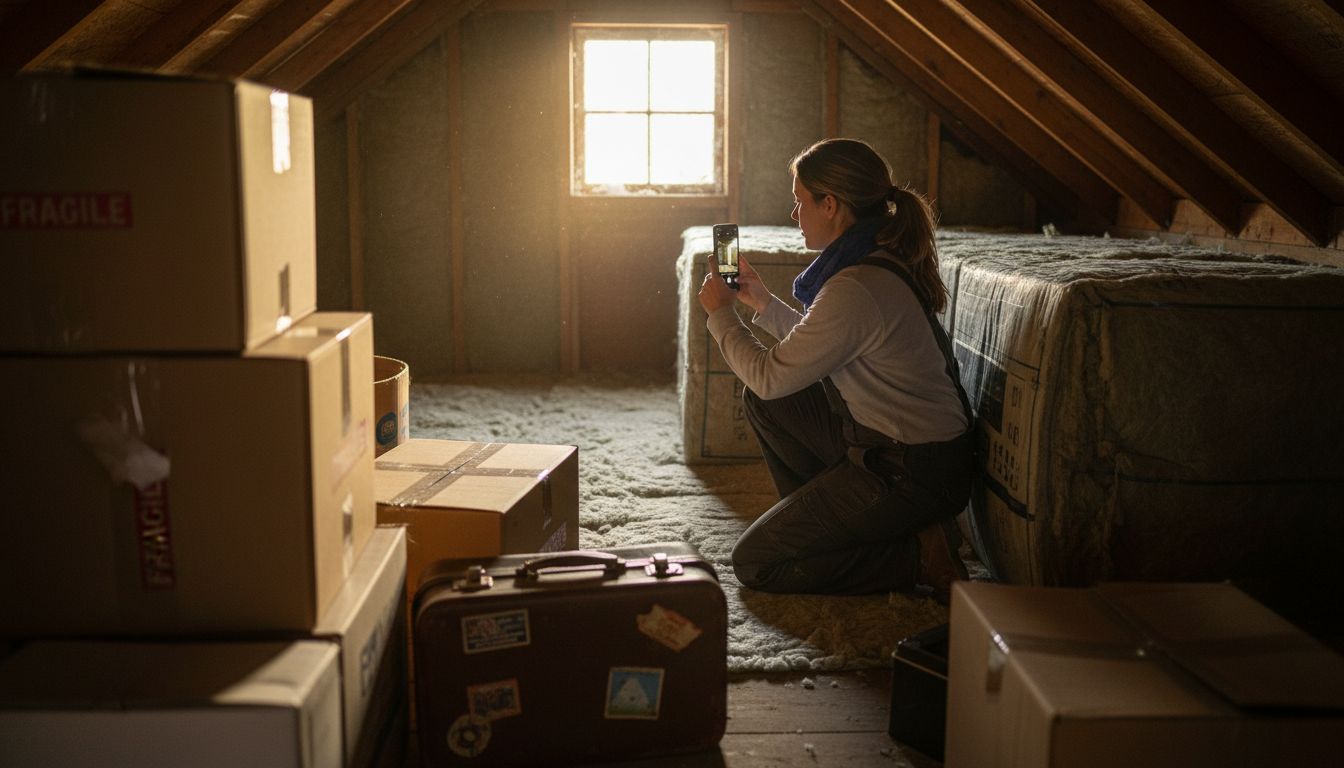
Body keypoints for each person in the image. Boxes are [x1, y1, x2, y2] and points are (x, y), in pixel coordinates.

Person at [697, 138, 975, 601]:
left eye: (800, 202)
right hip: (897, 446)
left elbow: (769, 375)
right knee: (769, 403)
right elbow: (823, 344)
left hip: (915, 470)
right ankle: (832, 526)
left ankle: (918, 555)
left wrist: (721, 314)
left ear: (829, 205)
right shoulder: (869, 266)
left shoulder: (856, 286)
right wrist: (760, 301)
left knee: (758, 563)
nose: (795, 214)